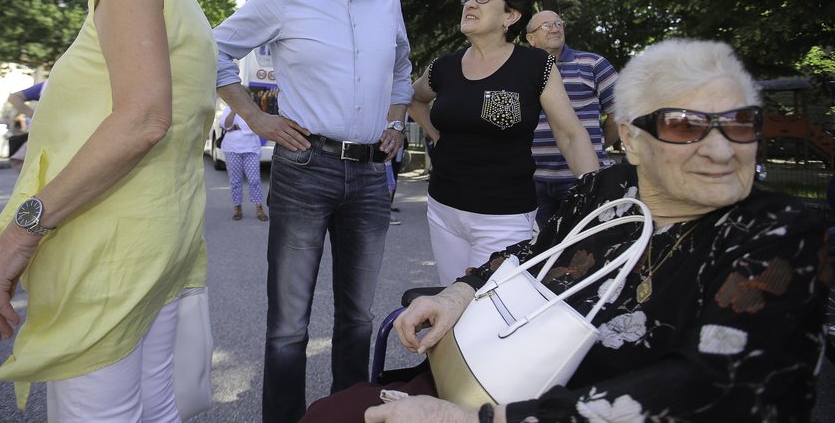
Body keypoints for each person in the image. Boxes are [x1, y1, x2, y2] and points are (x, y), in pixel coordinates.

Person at [302, 38, 830, 422]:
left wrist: (473, 421)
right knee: (331, 414)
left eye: (740, 124)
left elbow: (711, 388)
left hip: (551, 411)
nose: (721, 149)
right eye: (683, 125)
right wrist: (460, 292)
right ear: (632, 137)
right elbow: (532, 247)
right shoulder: (611, 189)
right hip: (502, 372)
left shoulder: (784, 234)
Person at [0, 0, 217, 420]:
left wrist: (17, 238)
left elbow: (143, 119)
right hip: (153, 243)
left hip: (107, 249)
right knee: (152, 408)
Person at [212, 0, 413, 422]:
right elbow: (214, 50)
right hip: (304, 169)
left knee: (357, 318)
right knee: (288, 326)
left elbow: (401, 68)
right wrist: (255, 117)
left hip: (372, 175)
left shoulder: (387, 3)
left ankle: (350, 416)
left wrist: (396, 120)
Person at [408, 0, 599, 286]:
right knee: (453, 310)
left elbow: (569, 134)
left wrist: (597, 196)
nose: (470, 2)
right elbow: (414, 99)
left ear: (510, 16)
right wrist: (436, 136)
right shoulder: (444, 66)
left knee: (495, 317)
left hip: (504, 218)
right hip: (443, 211)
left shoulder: (535, 65)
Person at [525, 10, 619, 230]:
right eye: (546, 26)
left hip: (582, 178)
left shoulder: (593, 64)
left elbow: (619, 114)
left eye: (559, 23)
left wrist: (593, 146)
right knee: (540, 251)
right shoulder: (522, 71)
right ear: (531, 38)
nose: (556, 28)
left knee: (584, 247)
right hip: (532, 180)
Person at [219, 107, 268, 221]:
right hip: (232, 148)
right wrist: (234, 111)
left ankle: (259, 208)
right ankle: (237, 207)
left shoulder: (252, 109)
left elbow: (256, 126)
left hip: (251, 148)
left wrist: (237, 127)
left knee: (254, 180)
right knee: (235, 181)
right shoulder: (228, 109)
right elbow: (226, 125)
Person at [6, 80, 48, 170]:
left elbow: (14, 97)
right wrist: (33, 114)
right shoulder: (51, 82)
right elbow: (14, 97)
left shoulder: (50, 82)